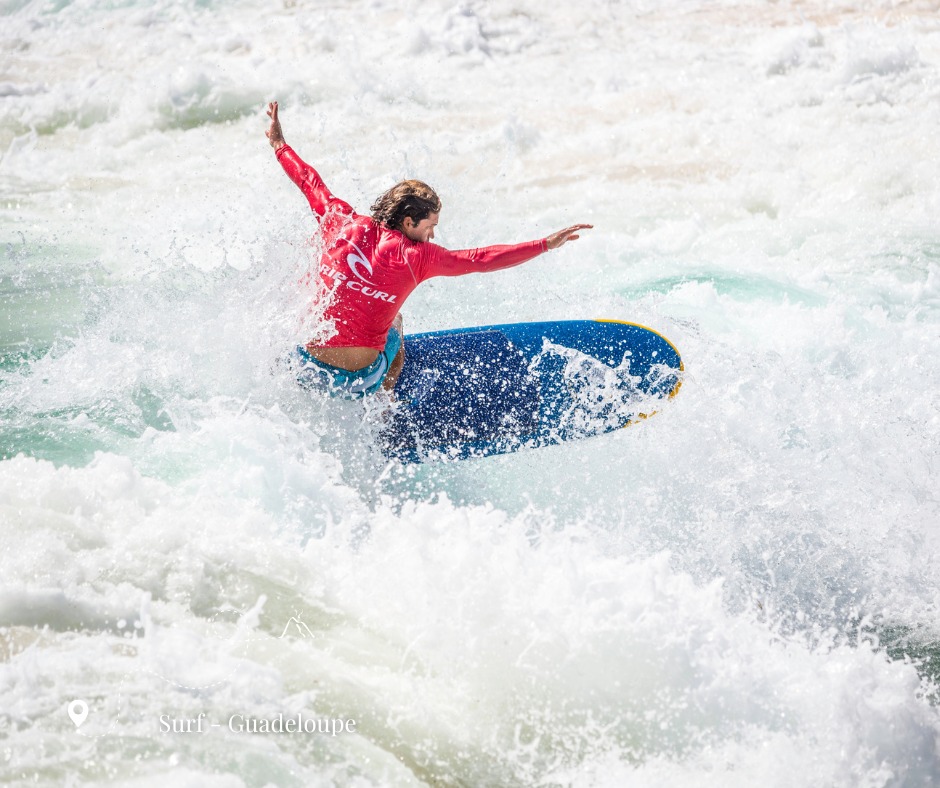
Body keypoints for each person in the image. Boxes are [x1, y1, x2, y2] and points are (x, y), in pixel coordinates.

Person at [266, 101, 591, 398]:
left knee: (297, 306)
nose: (433, 234)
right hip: (357, 380)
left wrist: (280, 144)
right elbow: (482, 259)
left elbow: (309, 181)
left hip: (306, 370)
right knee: (396, 324)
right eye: (430, 225)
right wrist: (544, 244)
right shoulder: (416, 257)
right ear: (409, 222)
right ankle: (384, 405)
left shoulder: (339, 220)